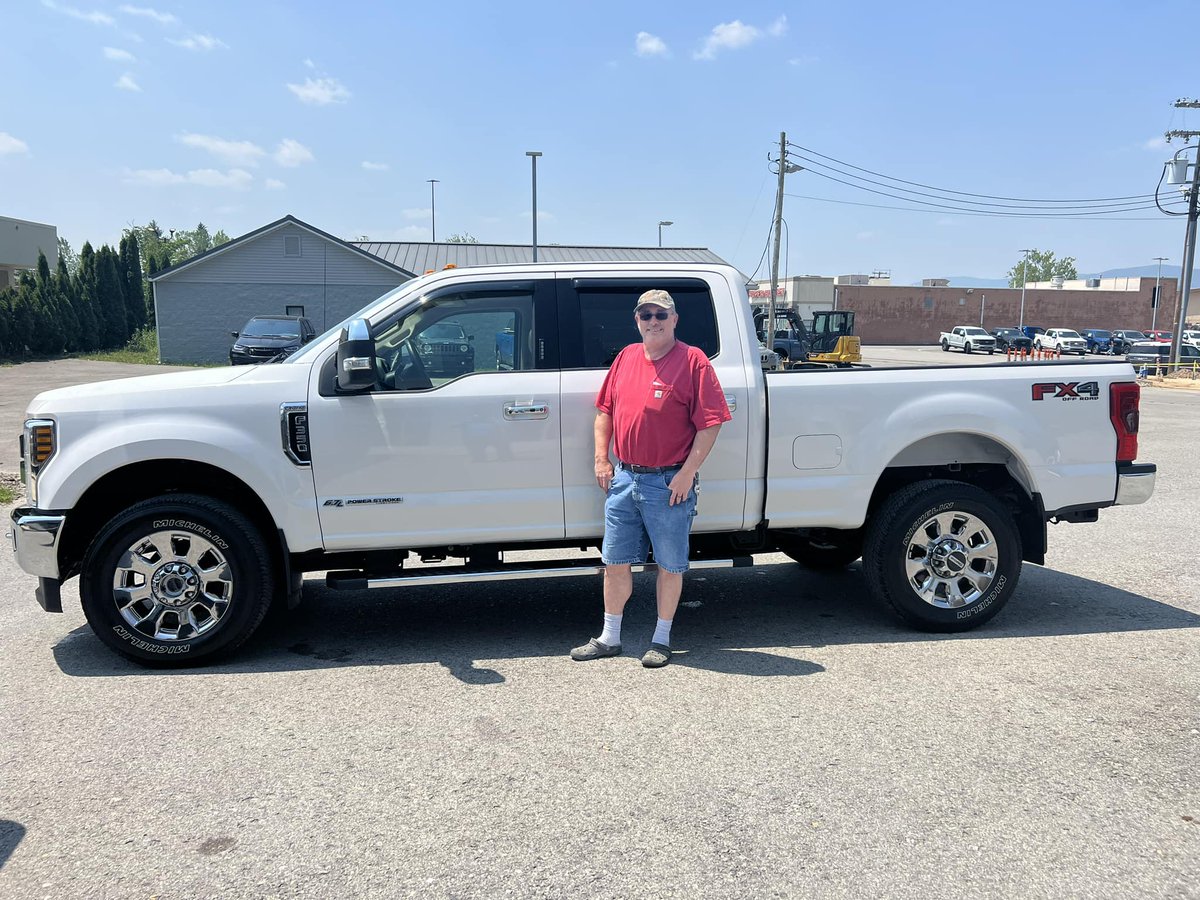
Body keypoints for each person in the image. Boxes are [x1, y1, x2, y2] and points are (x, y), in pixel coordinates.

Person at [570, 289, 731, 668]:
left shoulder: (693, 362)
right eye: (646, 315)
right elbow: (604, 412)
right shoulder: (626, 357)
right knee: (615, 561)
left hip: (668, 483)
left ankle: (661, 639)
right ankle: (610, 637)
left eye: (661, 314)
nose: (653, 321)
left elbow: (710, 425)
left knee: (670, 565)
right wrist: (601, 460)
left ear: (675, 319)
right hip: (624, 479)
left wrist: (686, 474)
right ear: (637, 320)